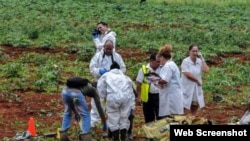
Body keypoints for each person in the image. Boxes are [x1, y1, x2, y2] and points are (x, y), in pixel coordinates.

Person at [89, 40, 126, 134]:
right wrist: (99, 71)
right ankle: (92, 126)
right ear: (103, 47)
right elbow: (92, 68)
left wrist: (114, 74)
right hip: (100, 83)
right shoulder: (97, 56)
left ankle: (110, 128)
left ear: (113, 48)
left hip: (113, 86)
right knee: (97, 106)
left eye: (110, 49)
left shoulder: (117, 57)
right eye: (107, 48)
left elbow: (123, 68)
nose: (108, 50)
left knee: (111, 107)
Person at [97, 61, 135, 141]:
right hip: (126, 98)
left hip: (112, 98)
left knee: (113, 118)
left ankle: (116, 139)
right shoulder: (125, 77)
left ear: (111, 69)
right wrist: (132, 106)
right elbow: (131, 92)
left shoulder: (106, 75)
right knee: (124, 117)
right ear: (119, 69)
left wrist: (104, 97)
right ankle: (123, 138)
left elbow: (101, 88)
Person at [59, 77, 106, 141]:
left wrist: (75, 112)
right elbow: (99, 108)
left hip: (64, 91)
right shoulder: (94, 90)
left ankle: (63, 136)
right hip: (76, 94)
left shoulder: (81, 84)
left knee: (67, 112)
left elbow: (71, 103)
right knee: (85, 114)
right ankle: (86, 137)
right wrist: (104, 122)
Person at [156, 44, 184, 119]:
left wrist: (153, 79)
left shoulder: (168, 66)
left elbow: (165, 80)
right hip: (173, 95)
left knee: (172, 118)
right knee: (174, 118)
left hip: (171, 97)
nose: (159, 61)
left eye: (160, 58)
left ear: (162, 57)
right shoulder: (171, 65)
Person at [181, 44, 209, 116]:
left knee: (194, 105)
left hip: (196, 87)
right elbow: (187, 74)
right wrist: (197, 80)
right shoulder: (185, 61)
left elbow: (206, 70)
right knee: (185, 105)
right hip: (187, 87)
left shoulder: (199, 61)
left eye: (196, 51)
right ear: (189, 51)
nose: (195, 53)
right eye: (193, 51)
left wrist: (202, 59)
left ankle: (193, 119)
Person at [136, 52, 161, 123]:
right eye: (157, 62)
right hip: (148, 97)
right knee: (149, 117)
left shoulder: (162, 68)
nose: (159, 63)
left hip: (159, 96)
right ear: (151, 61)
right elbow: (138, 83)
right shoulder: (144, 70)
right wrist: (139, 96)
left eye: (160, 62)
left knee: (161, 117)